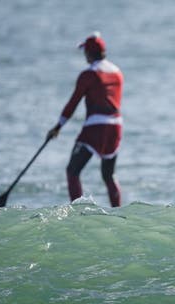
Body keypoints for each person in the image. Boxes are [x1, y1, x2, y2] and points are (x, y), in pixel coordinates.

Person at [46, 32, 124, 207]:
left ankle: (78, 213)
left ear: (89, 53)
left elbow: (73, 103)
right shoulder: (118, 73)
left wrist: (58, 126)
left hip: (95, 127)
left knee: (72, 171)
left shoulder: (88, 75)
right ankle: (118, 212)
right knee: (109, 175)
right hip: (116, 127)